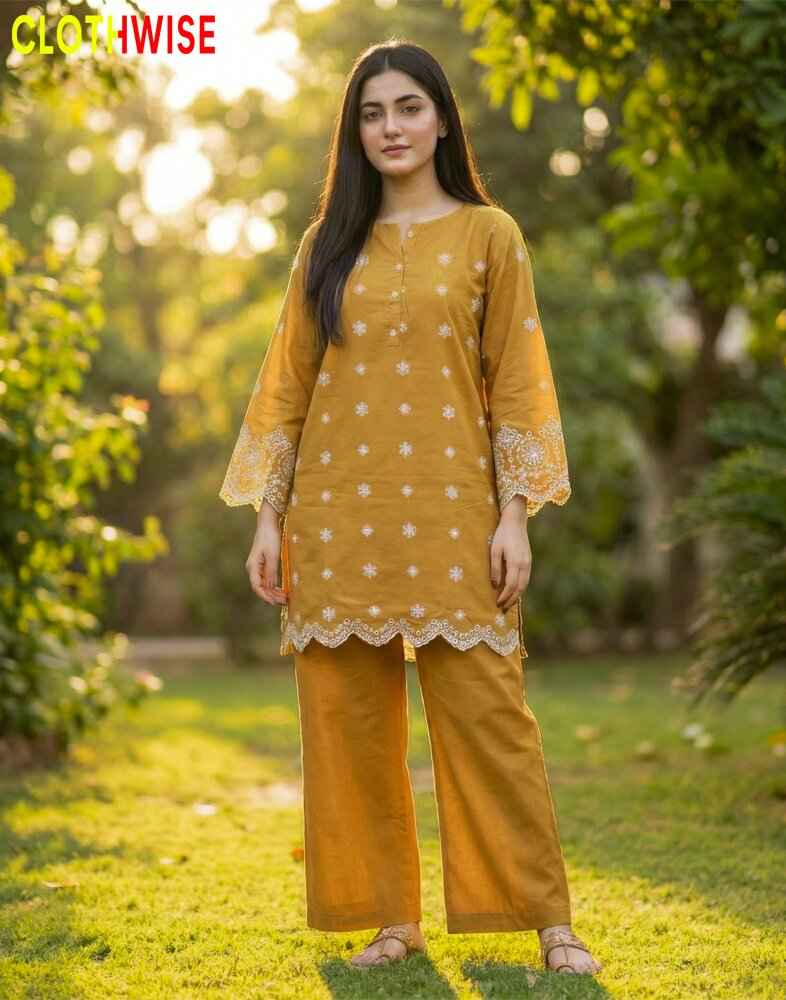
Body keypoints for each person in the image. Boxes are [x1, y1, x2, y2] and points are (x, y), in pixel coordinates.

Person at [219, 39, 602, 977]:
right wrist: (269, 517)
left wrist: (514, 515)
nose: (390, 128)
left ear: (440, 119)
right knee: (347, 725)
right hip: (336, 516)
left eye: (408, 108)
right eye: (372, 113)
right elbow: (286, 388)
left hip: (455, 514)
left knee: (491, 720)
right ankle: (392, 920)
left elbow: (516, 385)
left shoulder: (489, 235)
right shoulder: (329, 245)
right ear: (356, 132)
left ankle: (547, 921)